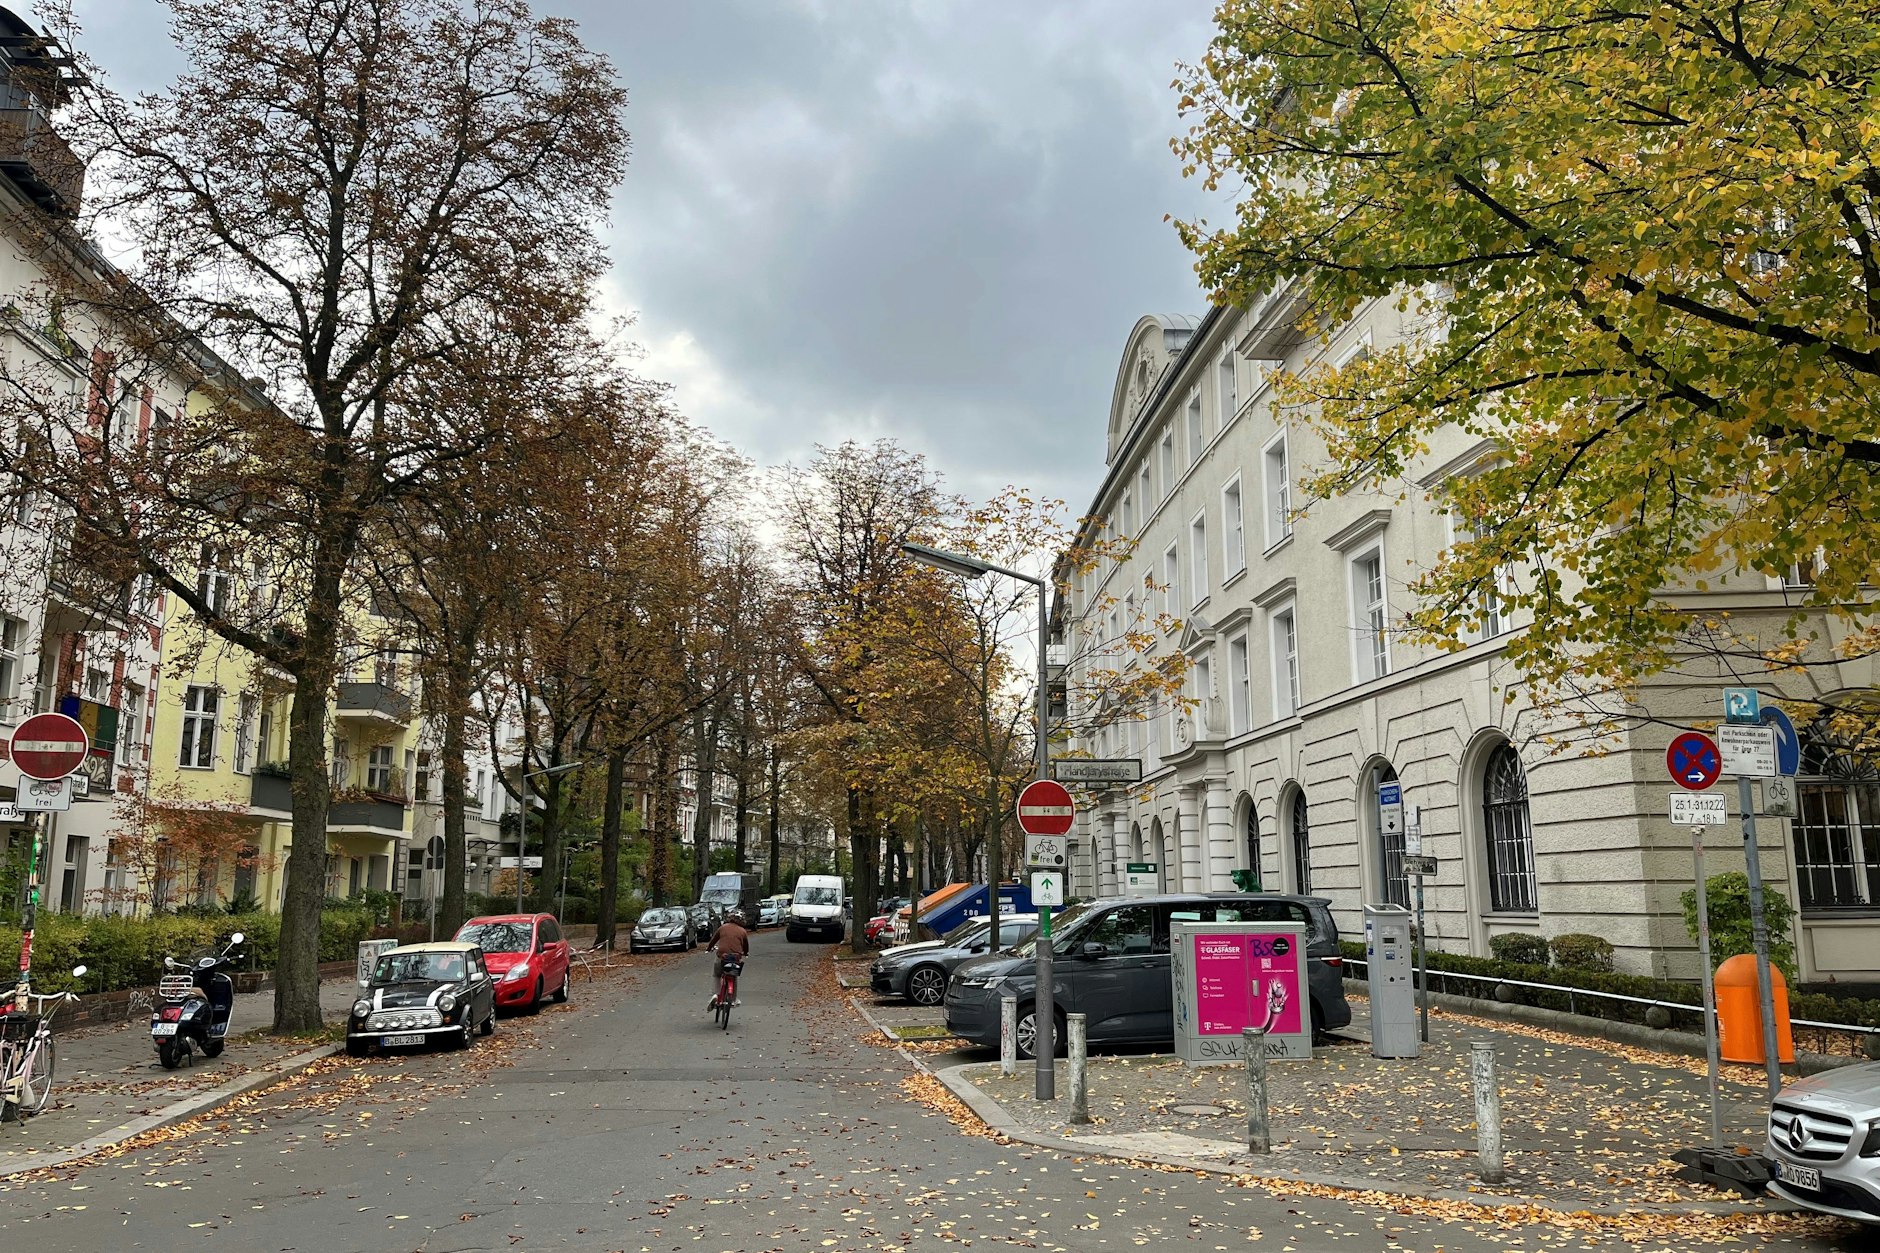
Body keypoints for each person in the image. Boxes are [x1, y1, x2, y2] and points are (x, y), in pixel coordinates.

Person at [707, 908, 752, 1009]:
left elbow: (714, 940)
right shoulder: (743, 932)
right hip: (735, 959)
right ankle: (733, 999)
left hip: (722, 957)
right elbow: (746, 946)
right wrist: (746, 953)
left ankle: (716, 994)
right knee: (733, 976)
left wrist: (709, 948)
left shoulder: (723, 928)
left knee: (717, 974)